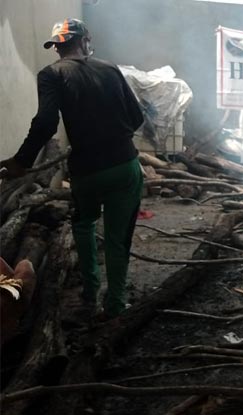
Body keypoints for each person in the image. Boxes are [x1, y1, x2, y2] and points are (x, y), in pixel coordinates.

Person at [0, 18, 144, 320]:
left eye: (57, 46)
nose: (57, 51)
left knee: (84, 224)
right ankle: (115, 305)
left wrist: (21, 161)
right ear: (85, 41)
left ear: (59, 47)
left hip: (85, 171)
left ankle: (90, 294)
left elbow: (45, 122)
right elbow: (137, 116)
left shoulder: (51, 74)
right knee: (118, 238)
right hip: (123, 166)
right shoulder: (110, 69)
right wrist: (116, 137)